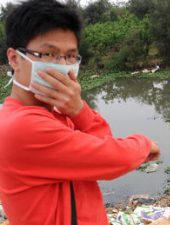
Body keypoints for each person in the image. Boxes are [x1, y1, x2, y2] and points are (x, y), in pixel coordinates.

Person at [0, 0, 160, 225]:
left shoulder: (57, 114)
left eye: (70, 56)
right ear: (15, 59)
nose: (62, 65)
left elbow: (101, 148)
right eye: (49, 54)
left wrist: (78, 110)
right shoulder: (22, 127)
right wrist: (144, 144)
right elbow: (112, 158)